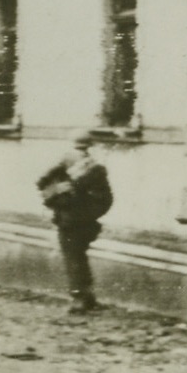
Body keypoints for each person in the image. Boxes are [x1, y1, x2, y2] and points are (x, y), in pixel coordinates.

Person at [36, 130, 113, 314]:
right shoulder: (96, 169)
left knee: (73, 258)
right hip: (83, 221)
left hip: (70, 221)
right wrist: (91, 214)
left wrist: (58, 198)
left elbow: (42, 185)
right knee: (79, 257)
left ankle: (79, 299)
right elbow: (106, 200)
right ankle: (87, 297)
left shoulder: (64, 165)